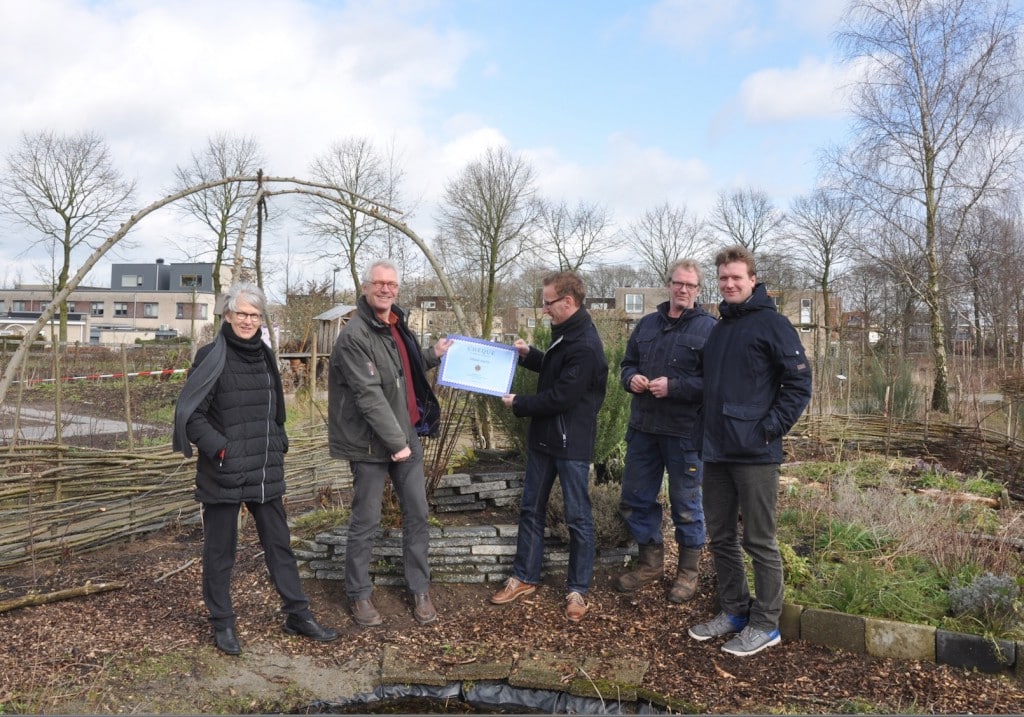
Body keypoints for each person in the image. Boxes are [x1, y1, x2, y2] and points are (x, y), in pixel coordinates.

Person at [173, 282, 337, 656]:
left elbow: (274, 409)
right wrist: (222, 451)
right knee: (220, 552)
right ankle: (222, 623)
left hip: (264, 470)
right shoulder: (210, 356)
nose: (248, 321)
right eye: (241, 313)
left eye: (255, 315)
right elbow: (191, 417)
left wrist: (279, 440)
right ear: (227, 315)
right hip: (225, 471)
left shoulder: (264, 354)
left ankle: (297, 614)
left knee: (279, 545)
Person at [687, 245, 812, 657]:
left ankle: (765, 624)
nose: (729, 284)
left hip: (756, 453)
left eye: (737, 277)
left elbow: (798, 384)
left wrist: (769, 429)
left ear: (752, 280)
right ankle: (735, 611)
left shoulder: (772, 324)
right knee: (721, 535)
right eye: (723, 278)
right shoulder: (720, 328)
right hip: (717, 450)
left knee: (759, 540)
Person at [328, 260, 453, 627]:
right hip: (371, 445)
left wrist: (433, 354)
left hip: (406, 436)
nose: (386, 289)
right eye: (379, 283)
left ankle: (419, 588)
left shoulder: (394, 325)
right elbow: (369, 397)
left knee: (417, 514)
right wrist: (397, 443)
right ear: (365, 287)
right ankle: (359, 594)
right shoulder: (354, 335)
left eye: (392, 284)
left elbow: (402, 371)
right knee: (366, 520)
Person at [489, 271, 608, 622]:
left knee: (577, 518)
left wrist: (519, 403)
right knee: (531, 510)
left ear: (567, 302)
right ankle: (524, 577)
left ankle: (577, 590)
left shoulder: (585, 343)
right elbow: (557, 370)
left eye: (548, 302)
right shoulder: (567, 335)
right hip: (545, 440)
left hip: (570, 445)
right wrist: (529, 355)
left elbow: (562, 396)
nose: (544, 309)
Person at [614, 259, 717, 602]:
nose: (683, 289)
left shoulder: (709, 330)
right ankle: (651, 563)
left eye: (690, 285)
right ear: (668, 285)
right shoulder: (646, 326)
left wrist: (675, 387)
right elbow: (625, 366)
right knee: (635, 499)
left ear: (699, 290)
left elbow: (715, 383)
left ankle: (687, 572)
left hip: (685, 433)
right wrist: (632, 379)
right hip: (643, 429)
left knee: (686, 504)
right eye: (678, 283)